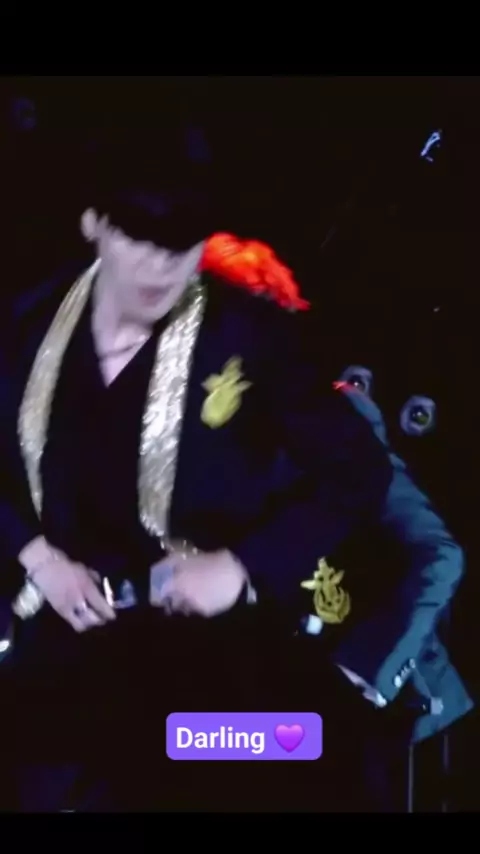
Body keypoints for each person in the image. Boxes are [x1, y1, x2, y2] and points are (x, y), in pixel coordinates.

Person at [0, 135, 395, 812]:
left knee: (297, 751)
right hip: (60, 642)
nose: (161, 266)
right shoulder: (27, 323)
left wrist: (241, 566)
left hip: (200, 658)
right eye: (140, 239)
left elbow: (357, 470)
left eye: (182, 246)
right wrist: (38, 557)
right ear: (95, 223)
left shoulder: (246, 334)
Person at [322, 381, 473, 809]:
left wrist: (374, 671)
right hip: (303, 692)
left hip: (393, 704)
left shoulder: (369, 468)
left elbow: (443, 557)